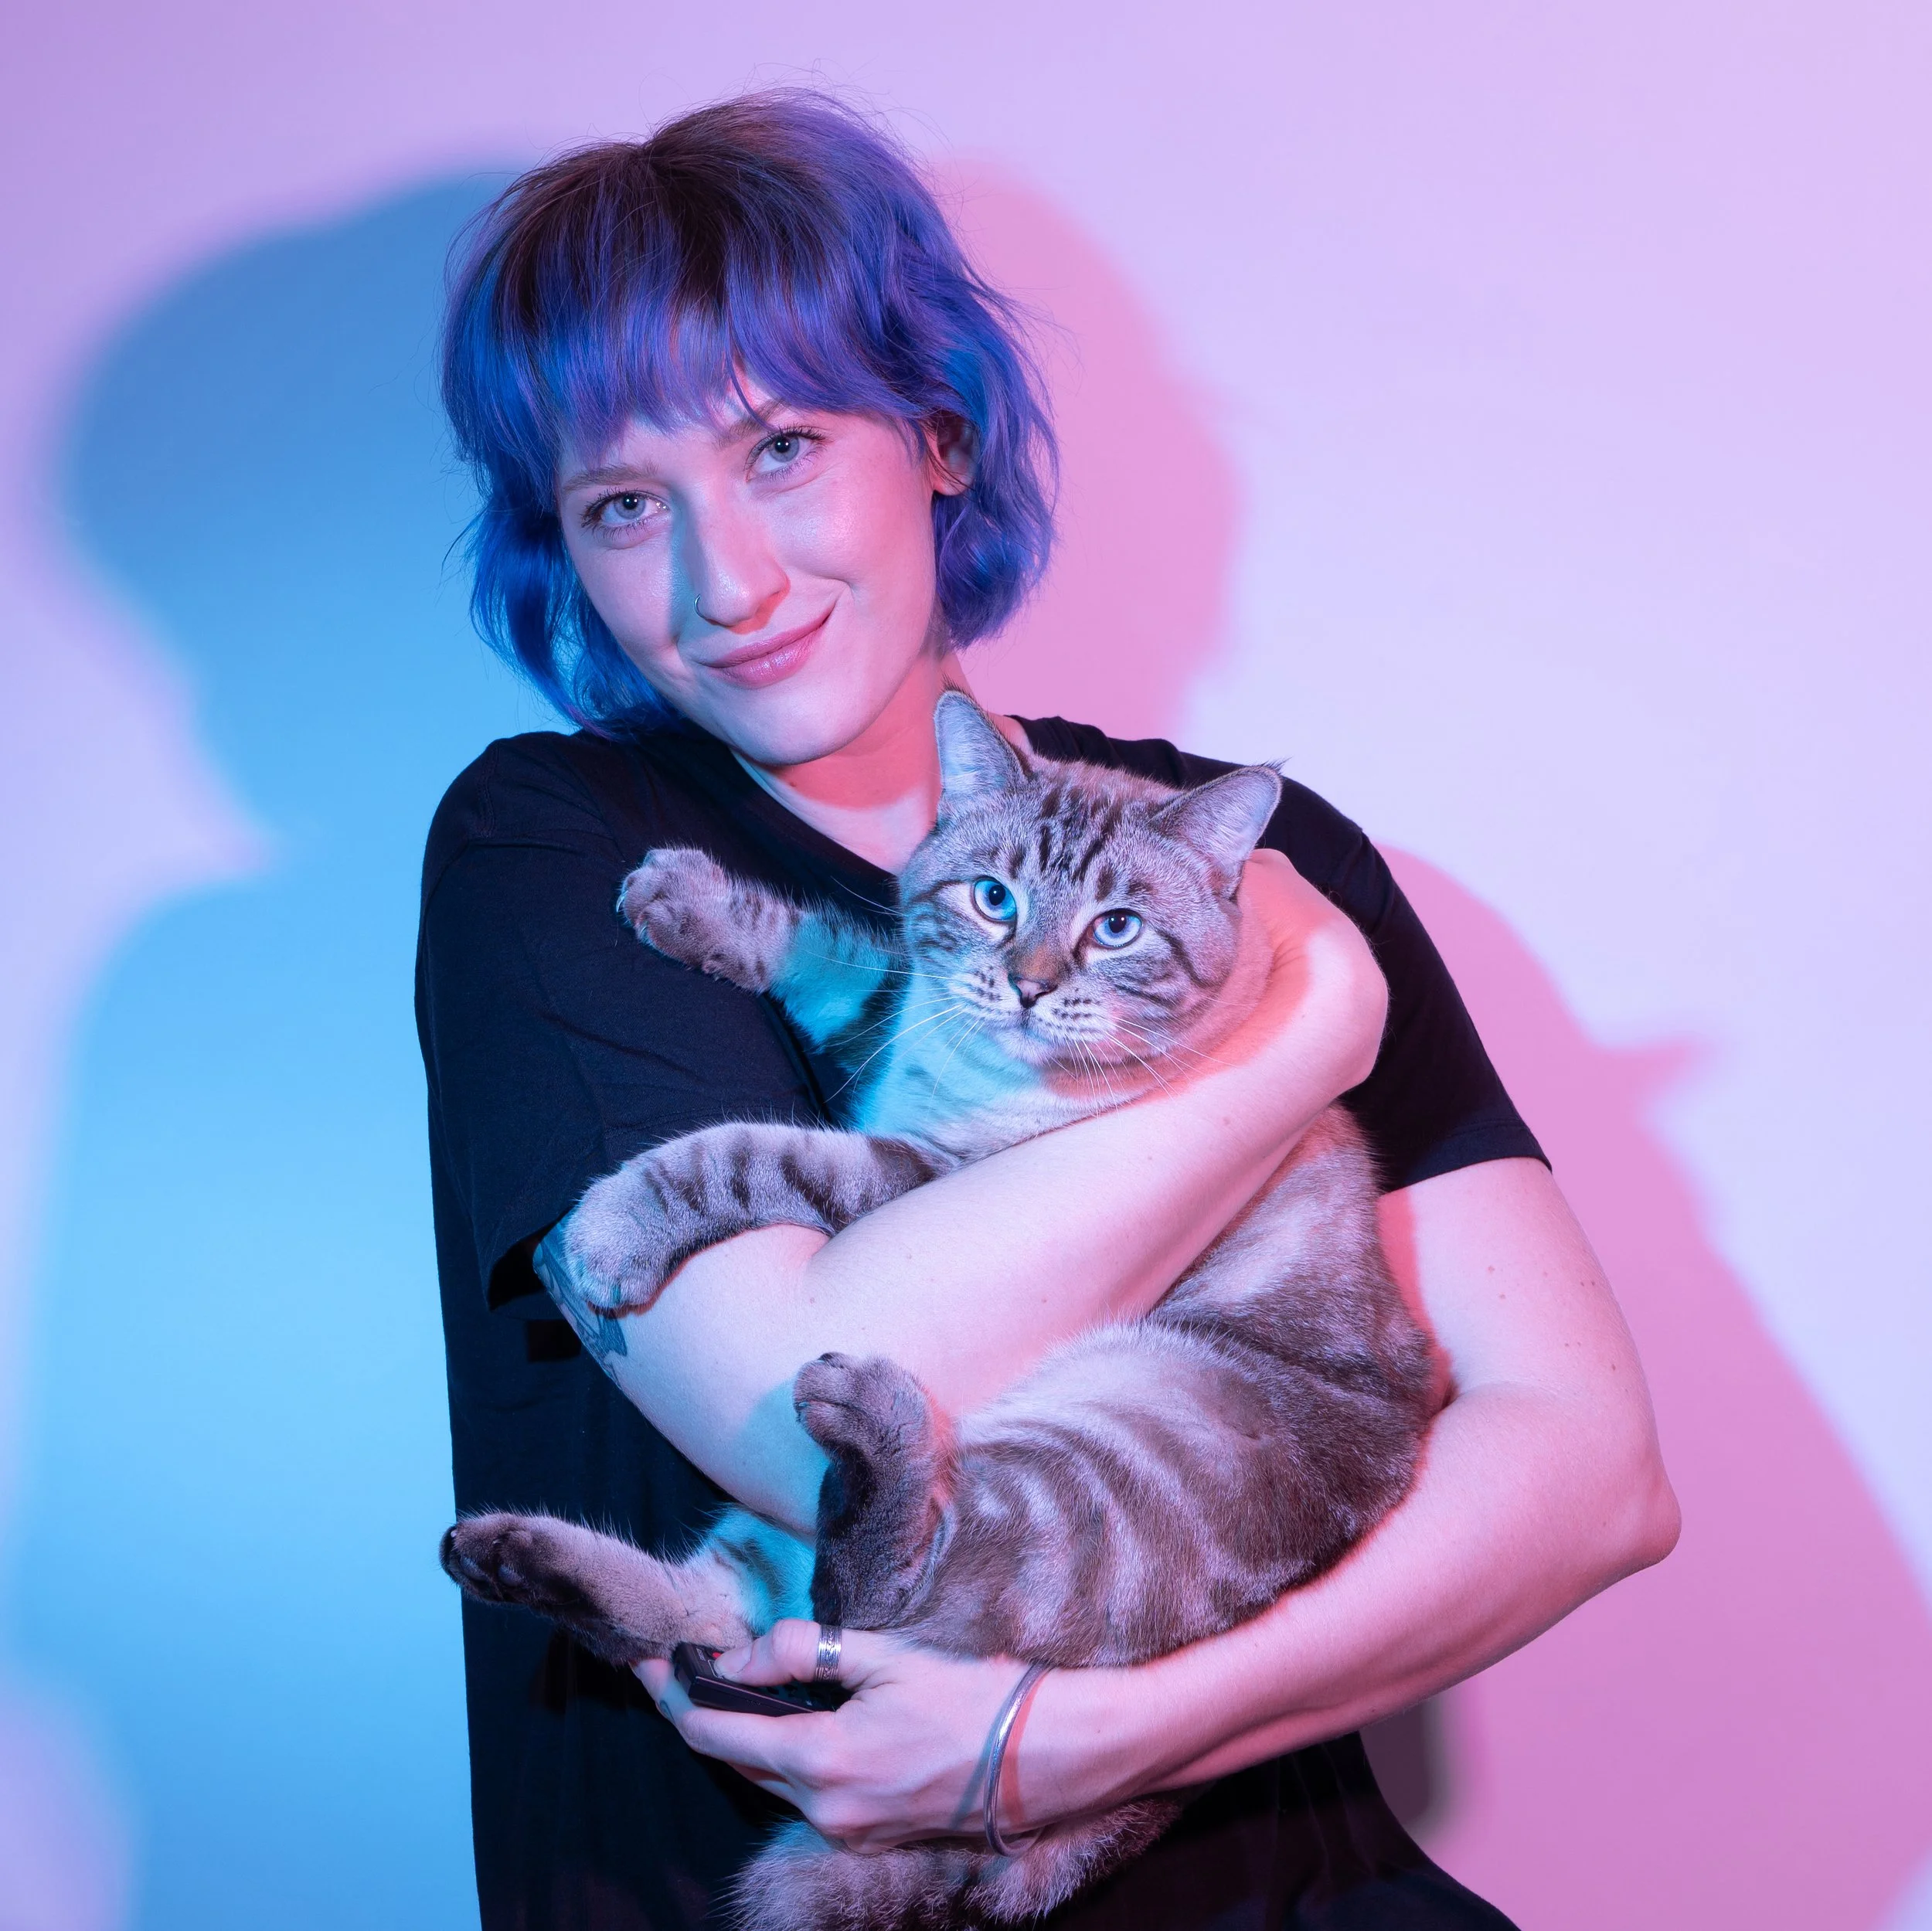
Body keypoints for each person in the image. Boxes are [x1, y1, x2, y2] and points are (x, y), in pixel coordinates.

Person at [418, 90, 1679, 1929]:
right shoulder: (558, 845)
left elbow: (1589, 1472)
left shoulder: (1257, 850)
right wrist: (1296, 1050)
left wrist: (1078, 1744)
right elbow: (809, 1412)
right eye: (625, 502)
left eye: (779, 447)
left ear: (935, 433)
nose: (725, 579)